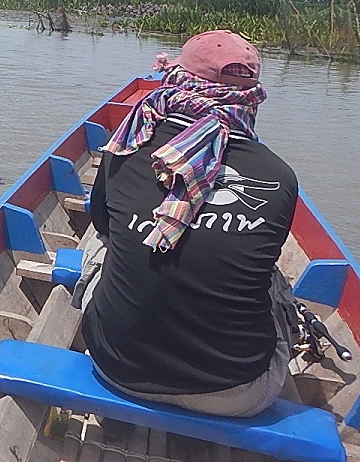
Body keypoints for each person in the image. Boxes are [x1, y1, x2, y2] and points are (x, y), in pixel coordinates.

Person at [79, 30, 299, 418]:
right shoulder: (279, 176)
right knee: (272, 279)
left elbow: (103, 225)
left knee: (99, 241)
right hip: (237, 394)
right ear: (251, 96)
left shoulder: (128, 145)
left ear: (179, 79)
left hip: (116, 369)